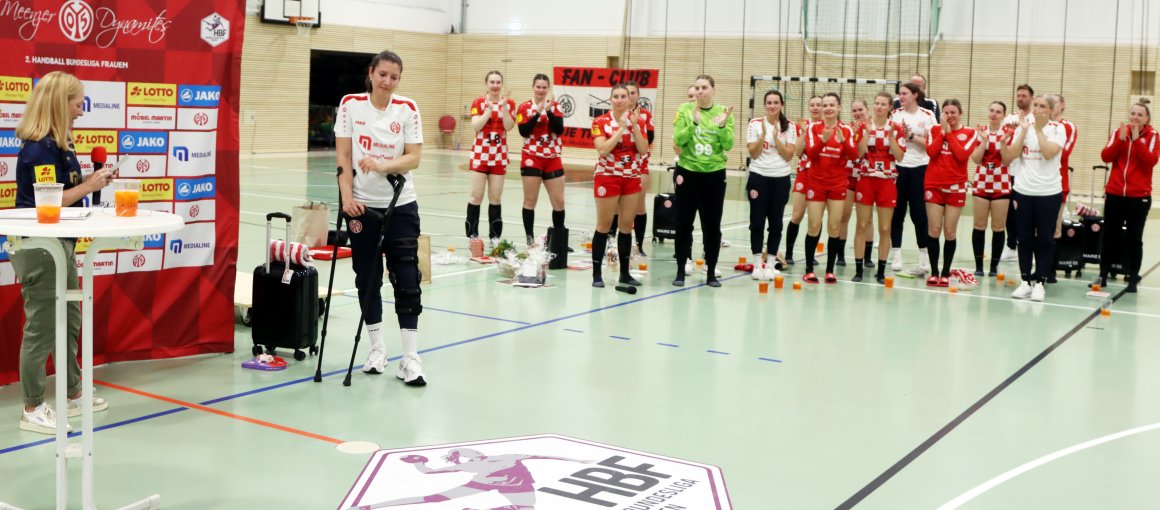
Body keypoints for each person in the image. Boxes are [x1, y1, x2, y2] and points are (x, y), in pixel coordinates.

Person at [10, 71, 114, 434]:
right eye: (77, 103)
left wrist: (94, 183)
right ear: (59, 104)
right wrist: (89, 184)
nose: (81, 111)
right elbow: (47, 204)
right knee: (41, 326)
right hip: (39, 248)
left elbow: (68, 195)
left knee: (69, 320)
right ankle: (33, 407)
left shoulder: (60, 146)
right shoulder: (39, 148)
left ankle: (71, 394)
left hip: (62, 245)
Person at [336, 50, 426, 386]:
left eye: (394, 77)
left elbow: (414, 158)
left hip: (401, 205)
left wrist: (383, 165)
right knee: (367, 278)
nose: (388, 82)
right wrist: (347, 196)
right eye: (383, 74)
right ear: (371, 73)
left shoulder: (407, 109)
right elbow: (344, 155)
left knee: (406, 277)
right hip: (361, 207)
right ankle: (377, 348)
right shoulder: (350, 105)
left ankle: (410, 357)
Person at [349, 448, 590, 509]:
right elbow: (428, 473)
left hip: (516, 484)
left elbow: (542, 454)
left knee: (525, 508)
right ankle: (372, 506)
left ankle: (371, 506)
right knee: (433, 498)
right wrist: (419, 462)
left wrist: (577, 462)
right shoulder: (474, 466)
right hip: (503, 483)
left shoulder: (492, 461)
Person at [671, 74, 734, 287]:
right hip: (688, 172)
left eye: (704, 87)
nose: (700, 91)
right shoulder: (684, 110)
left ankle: (711, 273)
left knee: (712, 225)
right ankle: (680, 270)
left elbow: (728, 145)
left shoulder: (724, 112)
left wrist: (723, 126)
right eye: (697, 88)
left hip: (714, 174)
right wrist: (693, 124)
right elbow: (678, 140)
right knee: (683, 223)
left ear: (713, 90)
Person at [1002, 94, 1065, 302]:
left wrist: (1037, 129)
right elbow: (1011, 155)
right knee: (1024, 237)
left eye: (1042, 106)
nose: (1037, 109)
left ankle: (1040, 282)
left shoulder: (1058, 129)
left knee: (1045, 238)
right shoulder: (1024, 127)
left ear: (1051, 110)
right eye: (1035, 105)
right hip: (1023, 190)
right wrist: (1023, 131)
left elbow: (1048, 153)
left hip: (1048, 192)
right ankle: (1025, 281)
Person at [590, 84, 649, 291]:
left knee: (626, 225)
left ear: (629, 99)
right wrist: (621, 128)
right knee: (604, 225)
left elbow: (643, 150)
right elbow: (603, 150)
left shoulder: (637, 120)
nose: (620, 99)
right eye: (616, 96)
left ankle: (625, 273)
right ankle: (597, 274)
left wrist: (635, 127)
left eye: (624, 96)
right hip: (608, 176)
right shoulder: (600, 122)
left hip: (631, 176)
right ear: (611, 99)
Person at [1096, 99, 1158, 293]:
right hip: (1115, 194)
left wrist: (1137, 139)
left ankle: (1132, 277)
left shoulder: (1153, 136)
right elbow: (1106, 157)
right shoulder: (1118, 132)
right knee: (1109, 236)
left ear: (1147, 118)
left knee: (1134, 237)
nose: (1135, 117)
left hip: (1138, 197)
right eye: (1133, 113)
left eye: (1140, 114)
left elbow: (1150, 161)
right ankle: (1103, 274)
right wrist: (1121, 140)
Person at [801, 92, 858, 284]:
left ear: (839, 108)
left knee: (834, 227)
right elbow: (809, 154)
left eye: (831, 105)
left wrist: (842, 140)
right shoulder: (813, 128)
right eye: (825, 105)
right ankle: (809, 269)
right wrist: (823, 140)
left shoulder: (846, 130)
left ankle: (829, 271)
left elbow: (853, 156)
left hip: (837, 184)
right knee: (814, 225)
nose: (827, 109)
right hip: (816, 183)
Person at [923, 99, 980, 286]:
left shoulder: (970, 133)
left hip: (956, 187)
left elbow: (962, 155)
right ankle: (934, 271)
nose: (949, 116)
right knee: (934, 229)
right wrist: (942, 134)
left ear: (960, 113)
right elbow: (931, 152)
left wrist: (949, 135)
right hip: (934, 185)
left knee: (949, 231)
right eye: (946, 112)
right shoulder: (933, 130)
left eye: (953, 112)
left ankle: (946, 272)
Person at [853, 92, 905, 283]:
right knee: (862, 225)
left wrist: (891, 138)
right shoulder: (864, 126)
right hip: (866, 179)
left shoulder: (896, 128)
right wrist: (866, 133)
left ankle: (881, 271)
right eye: (876, 103)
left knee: (885, 228)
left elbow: (900, 157)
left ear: (890, 107)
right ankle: (859, 270)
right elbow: (858, 154)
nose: (879, 107)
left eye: (883, 104)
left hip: (887, 182)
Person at [889, 83, 937, 275]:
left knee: (919, 215)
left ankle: (924, 256)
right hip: (899, 168)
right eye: (900, 94)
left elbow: (932, 146)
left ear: (915, 95)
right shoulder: (895, 114)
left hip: (920, 168)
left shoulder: (927, 116)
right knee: (897, 213)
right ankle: (896, 254)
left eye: (905, 94)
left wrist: (911, 135)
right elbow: (890, 139)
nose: (901, 97)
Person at [745, 89, 797, 269]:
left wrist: (776, 138)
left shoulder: (789, 126)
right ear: (765, 105)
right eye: (769, 103)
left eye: (776, 102)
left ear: (781, 104)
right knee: (757, 222)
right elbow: (753, 152)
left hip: (780, 179)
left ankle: (772, 262)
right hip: (758, 177)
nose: (772, 106)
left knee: (776, 224)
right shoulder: (755, 123)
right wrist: (762, 137)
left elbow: (789, 155)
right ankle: (758, 263)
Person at [516, 74, 566, 247]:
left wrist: (549, 111)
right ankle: (530, 240)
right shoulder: (524, 107)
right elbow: (524, 131)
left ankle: (559, 240)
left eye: (544, 87)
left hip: (552, 158)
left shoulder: (556, 106)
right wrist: (538, 111)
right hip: (532, 157)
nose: (541, 90)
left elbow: (559, 130)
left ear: (548, 89)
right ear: (533, 87)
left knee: (558, 201)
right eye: (538, 86)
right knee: (530, 201)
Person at [466, 71, 516, 244]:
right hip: (480, 156)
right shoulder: (479, 102)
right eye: (492, 82)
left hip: (499, 157)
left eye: (498, 82)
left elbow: (509, 126)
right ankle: (473, 237)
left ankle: (495, 239)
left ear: (501, 84)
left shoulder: (509, 103)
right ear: (486, 84)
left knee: (495, 198)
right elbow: (476, 126)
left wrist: (502, 107)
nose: (495, 85)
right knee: (476, 197)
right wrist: (488, 109)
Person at [969, 101, 1014, 277]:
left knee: (998, 227)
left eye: (998, 111)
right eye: (992, 110)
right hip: (981, 183)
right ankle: (979, 265)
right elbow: (975, 158)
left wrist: (1002, 142)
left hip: (1001, 184)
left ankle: (994, 267)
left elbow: (1008, 160)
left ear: (1003, 115)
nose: (994, 114)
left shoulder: (1009, 133)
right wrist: (984, 140)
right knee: (979, 225)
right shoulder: (980, 132)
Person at [785, 95, 823, 266]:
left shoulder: (828, 127)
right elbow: (798, 152)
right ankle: (789, 253)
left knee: (816, 219)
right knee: (797, 215)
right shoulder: (803, 125)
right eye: (812, 105)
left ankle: (811, 254)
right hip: (804, 173)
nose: (815, 108)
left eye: (819, 105)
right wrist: (803, 132)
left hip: (822, 176)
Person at [999, 84, 1036, 262]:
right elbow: (1002, 139)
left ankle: (1029, 247)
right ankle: (1011, 245)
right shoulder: (1009, 119)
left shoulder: (1036, 118)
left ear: (1032, 98)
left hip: (1028, 172)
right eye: (1018, 95)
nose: (1021, 98)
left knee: (1027, 212)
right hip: (1010, 171)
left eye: (1024, 95)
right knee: (1010, 212)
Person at [839, 99, 872, 268]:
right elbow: (844, 152)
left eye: (861, 109)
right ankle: (840, 255)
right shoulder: (847, 129)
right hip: (850, 176)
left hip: (868, 176)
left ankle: (867, 257)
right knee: (844, 215)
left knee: (866, 219)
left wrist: (866, 132)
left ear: (867, 110)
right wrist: (851, 134)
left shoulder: (876, 128)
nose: (858, 113)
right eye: (854, 110)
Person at [1049, 94, 1077, 282]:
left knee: (1055, 227)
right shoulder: (1041, 126)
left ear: (1062, 105)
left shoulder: (1068, 127)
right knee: (1038, 229)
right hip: (1038, 184)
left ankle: (1051, 270)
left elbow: (1063, 153)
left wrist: (1045, 150)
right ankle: (1039, 266)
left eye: (1055, 102)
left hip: (1059, 183)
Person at [624, 81, 655, 255]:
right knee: (615, 207)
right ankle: (612, 241)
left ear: (638, 95)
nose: (630, 96)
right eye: (626, 92)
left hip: (640, 165)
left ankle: (639, 245)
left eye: (633, 93)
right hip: (620, 166)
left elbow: (648, 140)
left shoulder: (646, 116)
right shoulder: (616, 115)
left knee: (639, 206)